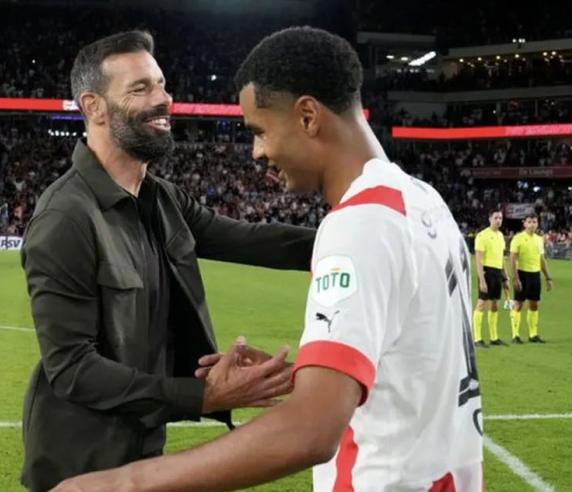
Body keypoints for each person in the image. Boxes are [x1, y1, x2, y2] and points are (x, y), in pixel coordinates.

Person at [52, 26, 483, 492]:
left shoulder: (361, 226)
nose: (257, 151)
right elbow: (414, 369)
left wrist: (121, 485)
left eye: (259, 131)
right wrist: (311, 378)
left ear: (308, 116)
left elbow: (309, 431)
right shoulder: (422, 203)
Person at [20, 30, 315, 491]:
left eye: (161, 85)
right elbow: (72, 369)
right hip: (79, 465)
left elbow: (252, 240)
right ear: (94, 107)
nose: (163, 99)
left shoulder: (161, 198)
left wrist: (356, 234)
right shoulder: (66, 218)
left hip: (143, 446)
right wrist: (204, 395)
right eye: (140, 89)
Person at [509, 213, 553, 343]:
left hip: (535, 275)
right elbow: (512, 260)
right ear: (524, 223)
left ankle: (533, 335)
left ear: (537, 223)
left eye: (534, 222)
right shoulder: (517, 238)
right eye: (529, 222)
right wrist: (515, 278)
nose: (532, 224)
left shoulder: (539, 239)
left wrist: (548, 277)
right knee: (518, 304)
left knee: (534, 304)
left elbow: (542, 259)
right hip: (522, 274)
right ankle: (515, 335)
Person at [473, 209, 510, 347]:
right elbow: (478, 260)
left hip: (497, 272)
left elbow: (501, 258)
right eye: (496, 218)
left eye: (500, 218)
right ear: (490, 219)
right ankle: (477, 338)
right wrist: (482, 280)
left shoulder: (500, 236)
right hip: (486, 271)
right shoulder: (482, 236)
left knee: (495, 304)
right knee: (481, 303)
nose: (498, 220)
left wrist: (505, 276)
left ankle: (494, 338)